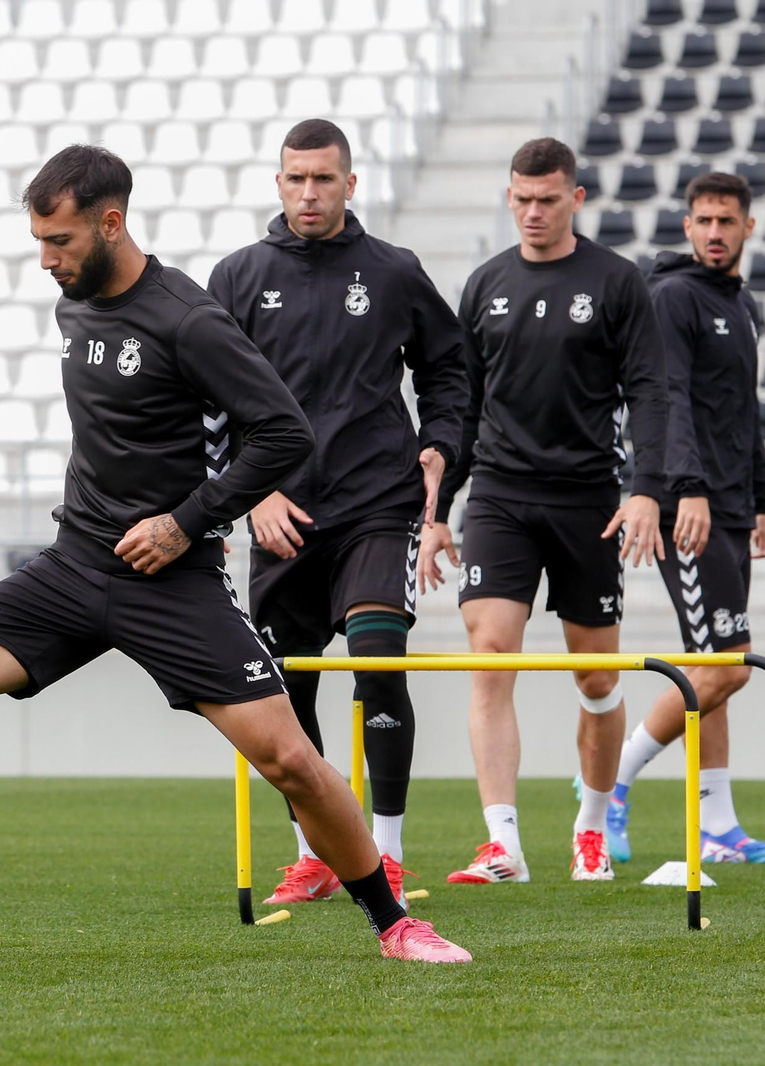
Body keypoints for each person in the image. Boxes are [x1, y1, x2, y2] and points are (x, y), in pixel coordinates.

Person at [0, 146, 471, 964]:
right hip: (73, 567)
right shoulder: (74, 304)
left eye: (59, 241)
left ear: (111, 223)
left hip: (172, 584)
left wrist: (185, 522)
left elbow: (283, 432)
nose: (46, 260)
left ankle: (395, 924)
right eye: (38, 241)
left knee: (292, 761)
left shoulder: (188, 317)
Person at [207, 119, 469, 909]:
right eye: (296, 179)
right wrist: (248, 495)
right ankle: (315, 855)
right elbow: (208, 404)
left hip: (376, 505)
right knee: (285, 693)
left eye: (324, 179)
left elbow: (448, 369)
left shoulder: (392, 272)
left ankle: (385, 852)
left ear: (351, 185)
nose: (310, 193)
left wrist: (439, 445)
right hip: (280, 514)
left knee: (377, 656)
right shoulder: (238, 277)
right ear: (278, 183)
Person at [417, 137, 669, 885]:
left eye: (547, 200)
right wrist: (438, 512)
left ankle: (591, 826)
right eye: (521, 200)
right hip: (499, 495)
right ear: (509, 199)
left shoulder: (618, 283)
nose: (533, 212)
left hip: (588, 499)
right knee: (490, 656)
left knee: (595, 677)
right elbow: (459, 409)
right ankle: (503, 843)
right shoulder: (486, 283)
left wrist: (647, 489)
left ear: (575, 199)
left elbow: (651, 392)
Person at [606, 171, 765, 865]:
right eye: (704, 220)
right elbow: (668, 400)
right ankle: (613, 782)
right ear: (687, 227)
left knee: (717, 666)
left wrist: (764, 499)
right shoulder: (674, 296)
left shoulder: (737, 303)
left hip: (731, 506)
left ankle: (719, 828)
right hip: (693, 507)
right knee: (725, 668)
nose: (715, 232)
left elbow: (740, 411)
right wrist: (685, 489)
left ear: (748, 228)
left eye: (727, 221)